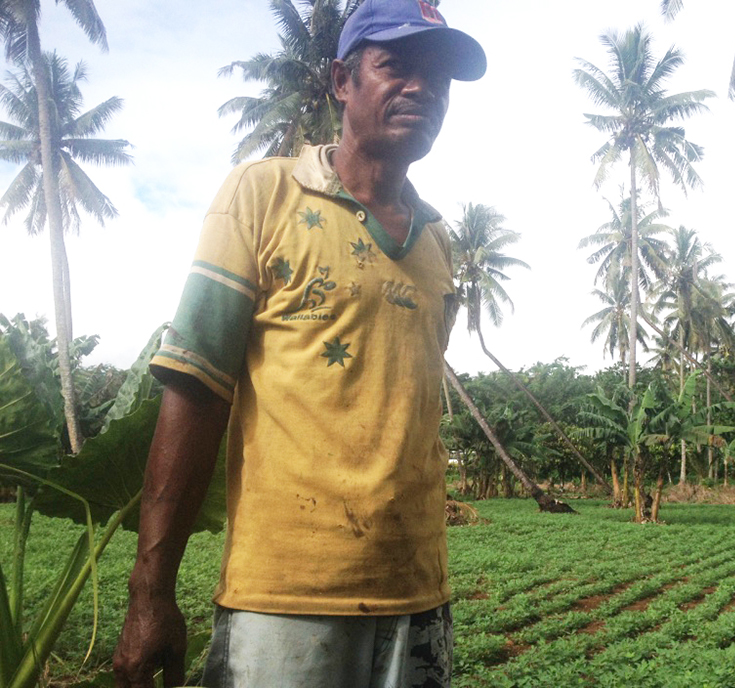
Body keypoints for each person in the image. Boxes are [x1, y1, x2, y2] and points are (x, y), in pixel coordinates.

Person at [112, 2, 485, 686]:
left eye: (439, 77)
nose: (423, 89)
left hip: (418, 599)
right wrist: (150, 593)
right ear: (342, 80)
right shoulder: (262, 196)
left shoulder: (435, 243)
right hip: (283, 603)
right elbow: (195, 388)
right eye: (395, 65)